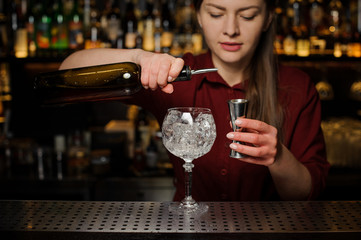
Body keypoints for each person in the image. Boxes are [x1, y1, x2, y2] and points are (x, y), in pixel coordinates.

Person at [59, 0, 330, 201]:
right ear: (199, 15)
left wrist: (278, 157)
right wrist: (140, 58)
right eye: (215, 13)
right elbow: (67, 75)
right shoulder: (174, 74)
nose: (231, 29)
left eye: (247, 16)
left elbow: (308, 195)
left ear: (269, 18)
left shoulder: (297, 86)